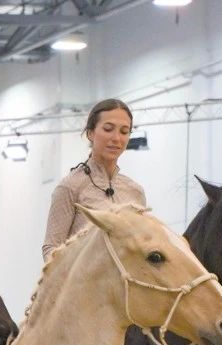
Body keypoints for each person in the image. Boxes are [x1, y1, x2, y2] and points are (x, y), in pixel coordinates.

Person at [42, 98, 147, 261]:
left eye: (124, 132)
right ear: (90, 133)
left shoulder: (135, 191)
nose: (116, 138)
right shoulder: (70, 187)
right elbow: (51, 249)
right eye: (108, 129)